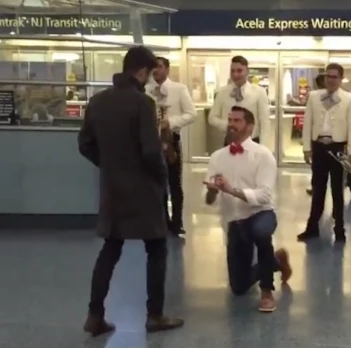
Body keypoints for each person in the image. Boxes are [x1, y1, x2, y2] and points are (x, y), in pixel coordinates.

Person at [78, 46, 183, 336]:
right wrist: (162, 180)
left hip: (113, 188)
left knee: (110, 249)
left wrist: (109, 165)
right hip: (144, 190)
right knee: (157, 248)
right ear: (141, 71)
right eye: (149, 74)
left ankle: (94, 314)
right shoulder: (142, 103)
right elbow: (151, 151)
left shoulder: (97, 101)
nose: (149, 80)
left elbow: (84, 144)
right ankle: (155, 314)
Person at [203, 105, 292, 312]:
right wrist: (213, 191)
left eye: (237, 121)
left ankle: (267, 291)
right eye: (230, 120)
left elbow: (264, 196)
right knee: (239, 287)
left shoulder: (263, 155)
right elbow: (208, 200)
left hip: (260, 213)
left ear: (250, 127)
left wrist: (231, 190)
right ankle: (276, 260)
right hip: (234, 220)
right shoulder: (217, 157)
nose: (231, 125)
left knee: (260, 233)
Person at [297, 63, 351, 243]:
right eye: (328, 76)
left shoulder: (350, 99)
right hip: (319, 147)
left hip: (338, 148)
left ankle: (339, 229)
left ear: (340, 79)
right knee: (318, 189)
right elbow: (307, 122)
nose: (330, 80)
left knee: (337, 191)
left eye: (334, 77)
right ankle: (312, 228)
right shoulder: (314, 97)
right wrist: (307, 148)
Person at [147, 56, 197, 236]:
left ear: (167, 69)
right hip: (151, 141)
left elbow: (192, 114)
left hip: (171, 141)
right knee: (157, 183)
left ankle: (177, 222)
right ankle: (162, 222)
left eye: (159, 67)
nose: (156, 71)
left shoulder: (179, 89)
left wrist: (172, 122)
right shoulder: (147, 91)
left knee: (174, 183)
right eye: (153, 68)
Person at [208, 55, 270, 147]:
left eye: (239, 71)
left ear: (247, 71)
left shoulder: (259, 92)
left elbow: (264, 123)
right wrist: (228, 125)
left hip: (252, 142)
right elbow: (212, 118)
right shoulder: (222, 92)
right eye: (232, 71)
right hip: (230, 142)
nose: (235, 74)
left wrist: (263, 147)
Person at [305, 73, 326, 196]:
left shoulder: (315, 97)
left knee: (317, 169)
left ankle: (316, 188)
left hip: (317, 138)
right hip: (318, 138)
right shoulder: (314, 97)